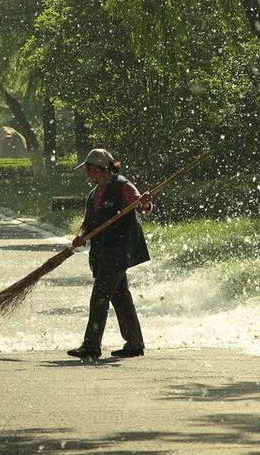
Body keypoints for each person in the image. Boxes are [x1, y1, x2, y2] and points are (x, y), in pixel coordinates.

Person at [66, 148, 153, 360]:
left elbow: (141, 206)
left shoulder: (123, 186)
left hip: (120, 250)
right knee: (120, 296)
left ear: (98, 168)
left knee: (100, 296)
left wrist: (145, 202)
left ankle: (91, 346)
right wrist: (80, 236)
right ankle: (134, 343)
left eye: (89, 169)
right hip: (102, 251)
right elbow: (87, 223)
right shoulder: (93, 194)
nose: (87, 174)